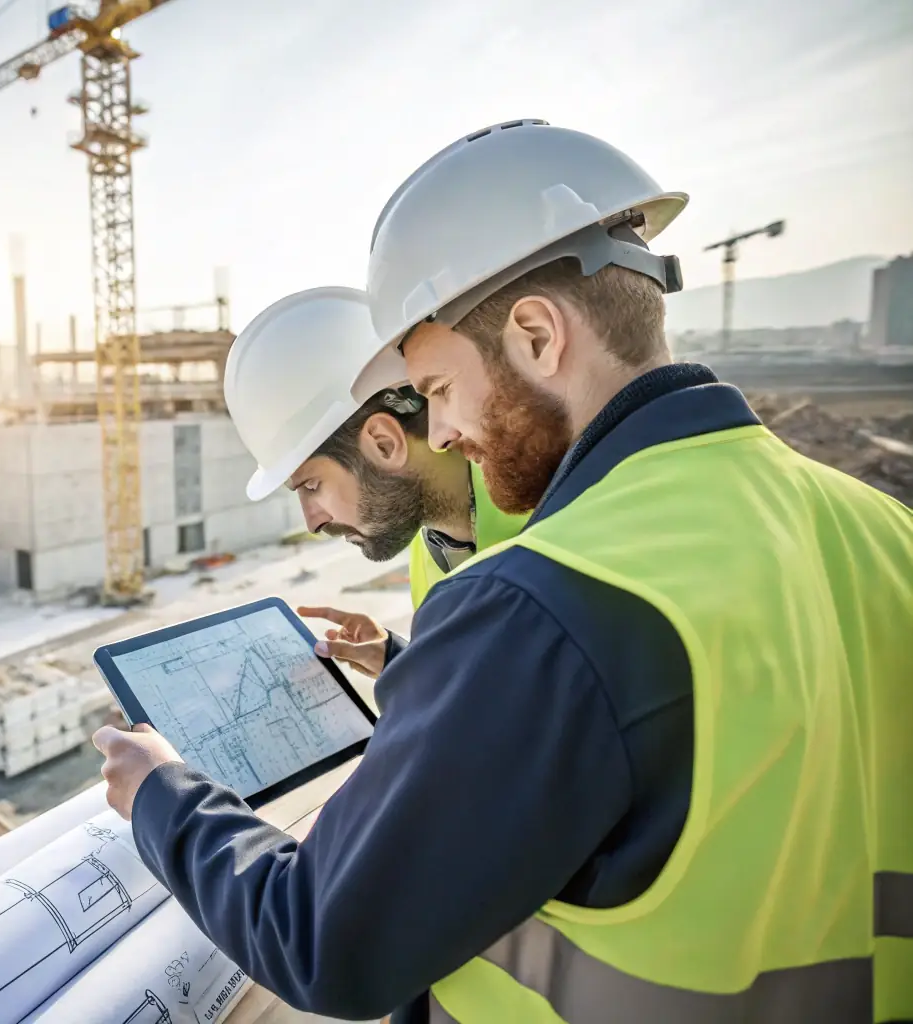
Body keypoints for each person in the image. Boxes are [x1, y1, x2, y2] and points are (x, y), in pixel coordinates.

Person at [94, 121, 913, 1023]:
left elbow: (326, 944)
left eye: (440, 390)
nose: (439, 433)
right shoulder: (879, 526)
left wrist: (162, 797)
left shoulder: (540, 597)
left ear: (534, 334)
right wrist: (420, 667)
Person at [221, 285, 527, 678]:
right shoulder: (431, 550)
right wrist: (397, 660)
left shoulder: (548, 516)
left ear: (385, 444)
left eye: (311, 486)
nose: (313, 523)